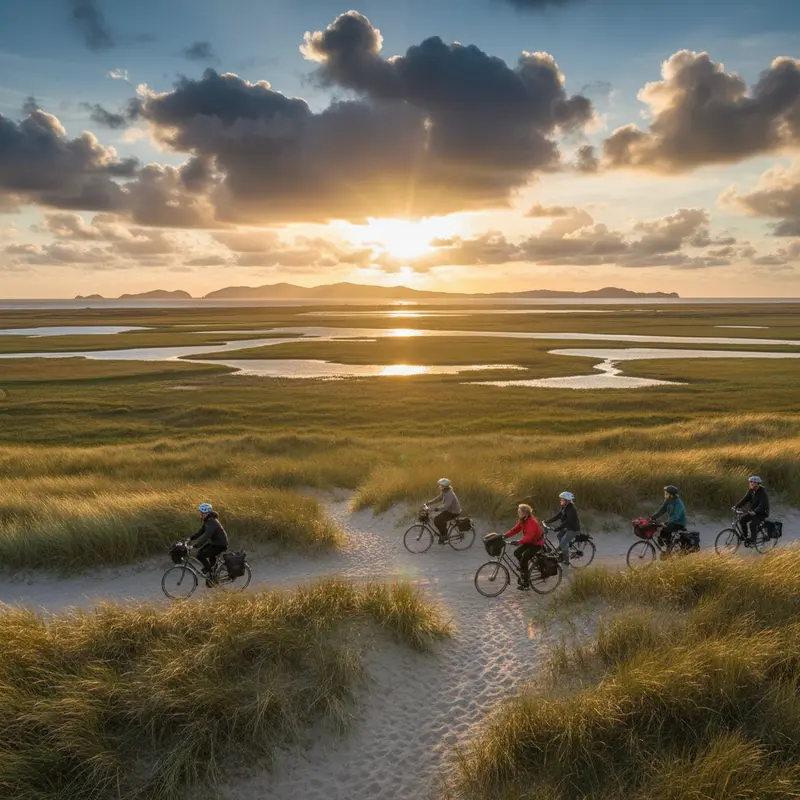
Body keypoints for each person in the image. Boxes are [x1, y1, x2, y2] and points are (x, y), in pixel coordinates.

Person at [503, 503, 544, 590]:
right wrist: (505, 536)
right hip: (530, 541)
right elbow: (516, 529)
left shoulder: (532, 522)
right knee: (516, 553)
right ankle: (524, 569)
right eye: (518, 511)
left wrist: (518, 542)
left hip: (536, 544)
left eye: (520, 512)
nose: (519, 513)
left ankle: (526, 584)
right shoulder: (523, 520)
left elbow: (529, 537)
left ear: (525, 513)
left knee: (524, 559)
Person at [189, 503, 229, 582]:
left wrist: (196, 545)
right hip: (215, 543)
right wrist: (190, 538)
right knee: (201, 553)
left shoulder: (211, 521)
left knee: (201, 555)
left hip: (220, 544)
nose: (201, 514)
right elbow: (201, 531)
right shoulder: (208, 520)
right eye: (200, 512)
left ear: (207, 513)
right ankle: (212, 576)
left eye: (202, 513)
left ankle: (209, 571)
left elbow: (206, 535)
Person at [544, 491, 581, 566]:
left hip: (573, 529)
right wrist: (547, 521)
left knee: (564, 541)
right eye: (561, 499)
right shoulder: (564, 507)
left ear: (567, 501)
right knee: (559, 535)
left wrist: (557, 528)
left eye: (562, 499)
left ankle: (566, 561)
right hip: (567, 528)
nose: (561, 500)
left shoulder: (571, 509)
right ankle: (565, 548)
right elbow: (557, 516)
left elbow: (567, 522)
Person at [735, 475, 770, 546]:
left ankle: (753, 540)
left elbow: (763, 504)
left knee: (752, 524)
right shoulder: (751, 491)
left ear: (757, 483)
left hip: (762, 513)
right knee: (742, 520)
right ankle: (745, 536)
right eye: (750, 482)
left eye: (753, 482)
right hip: (753, 512)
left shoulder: (762, 492)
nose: (751, 483)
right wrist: (736, 506)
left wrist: (755, 511)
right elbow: (744, 500)